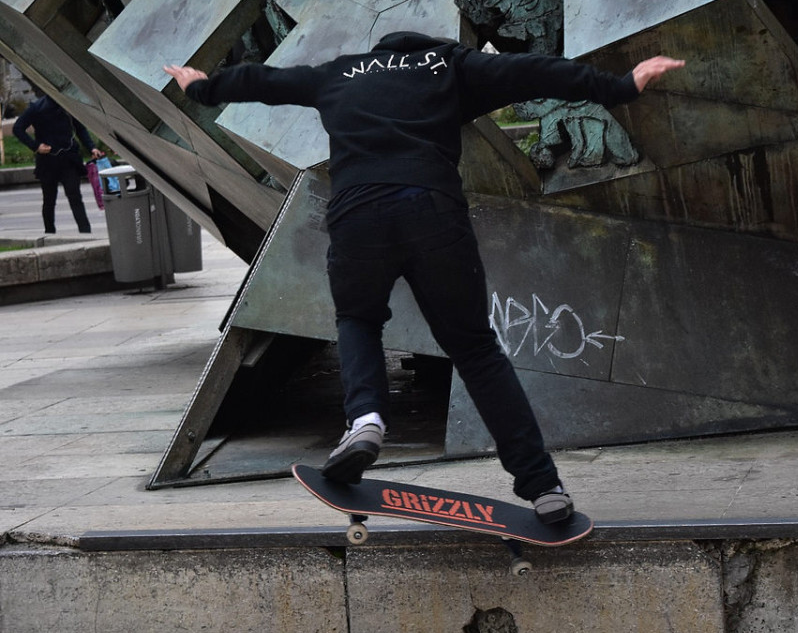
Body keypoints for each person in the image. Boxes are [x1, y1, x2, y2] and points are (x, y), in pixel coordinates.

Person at [165, 32, 685, 523]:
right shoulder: (447, 65)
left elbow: (269, 81)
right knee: (476, 350)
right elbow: (531, 71)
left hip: (358, 213)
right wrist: (620, 86)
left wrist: (204, 87)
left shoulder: (340, 73)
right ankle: (543, 486)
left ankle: (366, 420)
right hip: (430, 210)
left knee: (358, 320)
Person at [13, 95, 105, 234]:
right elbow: (18, 128)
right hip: (47, 161)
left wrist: (91, 147)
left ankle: (85, 232)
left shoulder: (68, 105)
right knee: (49, 200)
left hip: (69, 159)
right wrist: (36, 146)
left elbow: (80, 128)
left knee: (75, 196)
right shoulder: (37, 108)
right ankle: (50, 232)